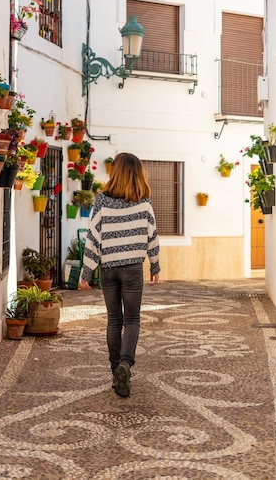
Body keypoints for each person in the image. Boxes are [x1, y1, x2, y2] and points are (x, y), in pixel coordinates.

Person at [80, 152, 160, 398]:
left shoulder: (102, 201)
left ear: (115, 172)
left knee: (114, 320)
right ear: (138, 174)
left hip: (108, 269)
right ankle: (125, 364)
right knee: (132, 320)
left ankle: (116, 369)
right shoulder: (144, 203)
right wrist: (154, 265)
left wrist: (86, 272)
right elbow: (152, 237)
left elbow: (93, 238)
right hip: (133, 269)